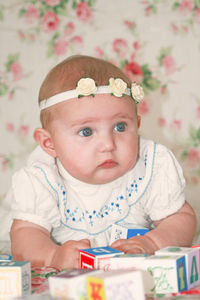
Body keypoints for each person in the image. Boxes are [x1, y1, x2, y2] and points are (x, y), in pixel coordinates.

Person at [10, 55, 196, 271]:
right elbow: (24, 237)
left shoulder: (148, 167)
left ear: (136, 125)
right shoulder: (43, 180)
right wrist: (53, 256)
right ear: (50, 143)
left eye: (120, 127)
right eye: (86, 131)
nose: (108, 144)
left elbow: (181, 218)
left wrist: (154, 242)